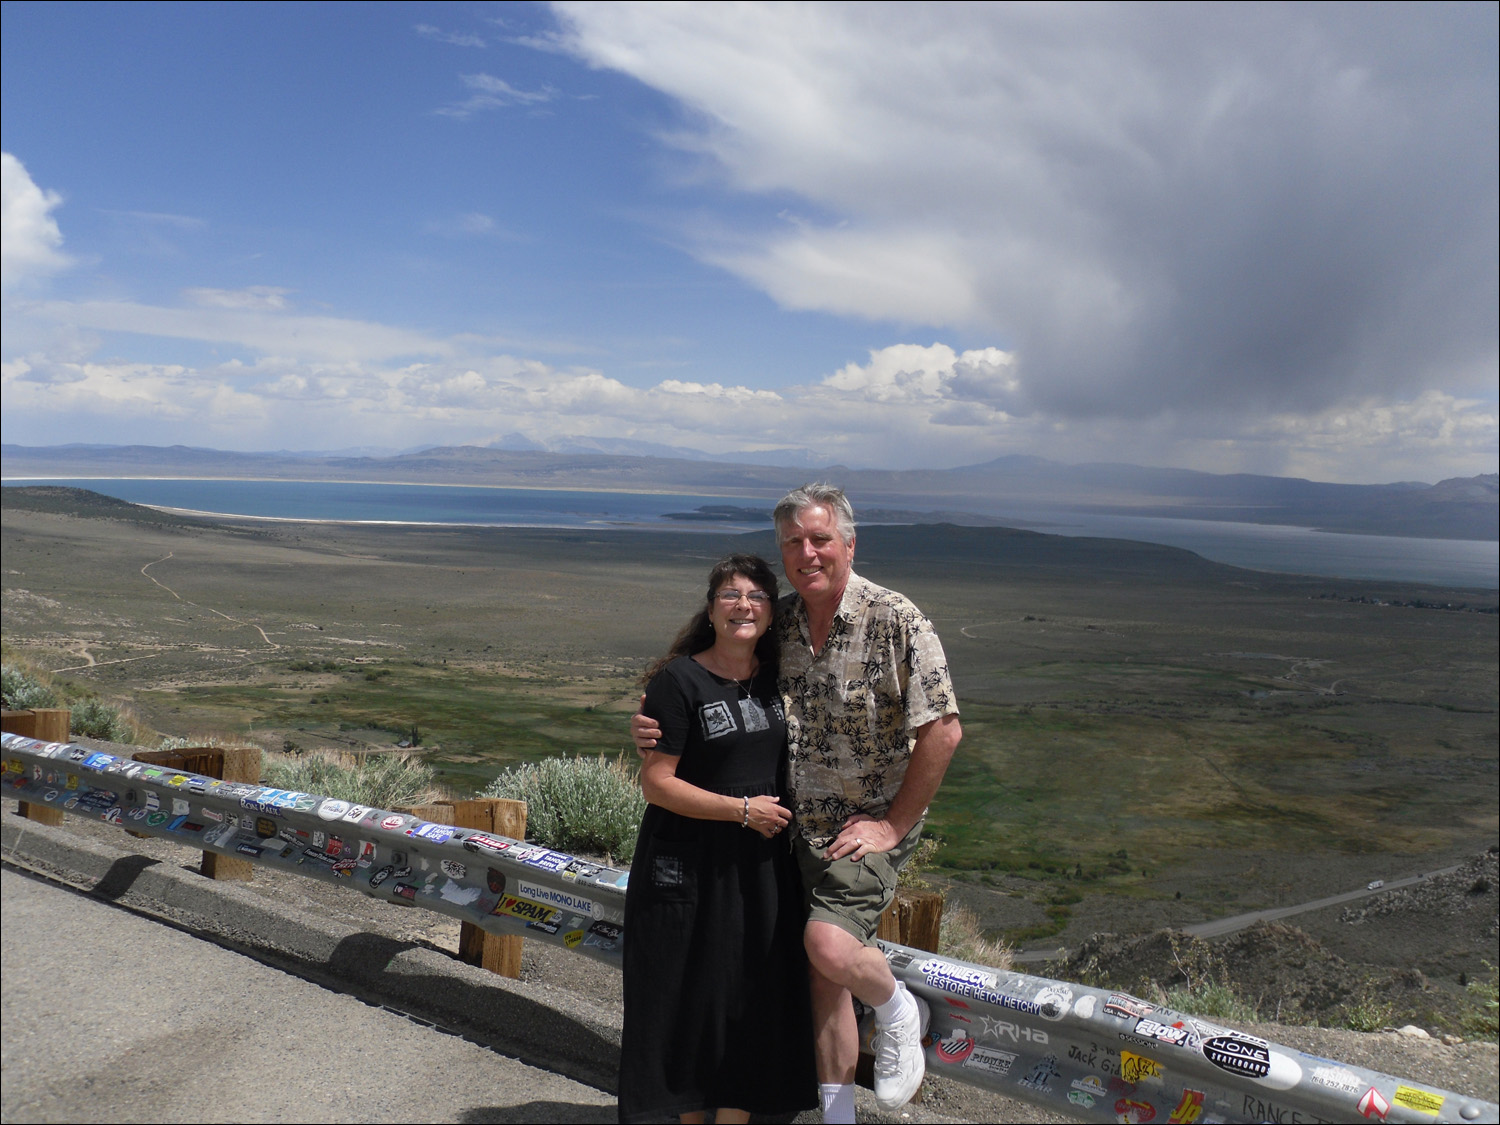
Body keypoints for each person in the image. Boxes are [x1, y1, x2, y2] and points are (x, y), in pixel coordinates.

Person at [634, 485, 962, 1124]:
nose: (807, 553)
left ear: (849, 544)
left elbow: (943, 730)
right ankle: (839, 1119)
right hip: (786, 833)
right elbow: (704, 677)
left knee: (829, 950)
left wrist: (892, 826)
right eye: (793, 542)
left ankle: (898, 1007)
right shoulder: (777, 622)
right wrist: (651, 722)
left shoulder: (897, 619)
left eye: (820, 539)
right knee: (821, 982)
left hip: (858, 830)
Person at [618, 553, 818, 1125]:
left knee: (747, 998)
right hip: (689, 861)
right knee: (690, 997)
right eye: (731, 595)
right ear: (710, 609)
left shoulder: (779, 679)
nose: (743, 605)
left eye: (756, 597)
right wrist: (741, 810)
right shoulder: (679, 681)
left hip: (761, 865)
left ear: (771, 613)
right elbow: (656, 784)